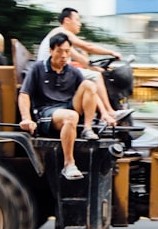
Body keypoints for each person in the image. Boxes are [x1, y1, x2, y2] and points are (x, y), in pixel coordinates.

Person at [19, 32, 106, 180]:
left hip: (69, 107)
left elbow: (92, 94)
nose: (64, 56)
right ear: (51, 51)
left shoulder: (73, 71)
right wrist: (26, 118)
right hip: (47, 112)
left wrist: (105, 113)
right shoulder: (37, 69)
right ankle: (69, 164)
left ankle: (87, 128)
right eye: (60, 51)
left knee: (89, 84)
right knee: (71, 116)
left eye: (67, 51)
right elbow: (24, 94)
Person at [37, 8, 129, 125]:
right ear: (67, 20)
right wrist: (112, 53)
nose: (79, 24)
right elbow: (88, 47)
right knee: (94, 78)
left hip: (58, 74)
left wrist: (97, 68)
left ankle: (104, 114)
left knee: (94, 77)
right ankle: (109, 112)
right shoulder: (61, 31)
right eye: (77, 20)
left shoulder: (64, 44)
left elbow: (83, 61)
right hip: (52, 74)